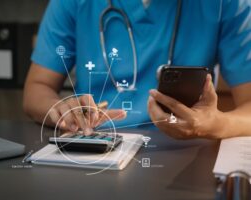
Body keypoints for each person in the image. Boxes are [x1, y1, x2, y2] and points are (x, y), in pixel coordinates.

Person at [23, 0, 251, 139]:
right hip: (93, 144)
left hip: (183, 153)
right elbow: (37, 89)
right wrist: (62, 111)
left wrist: (214, 125)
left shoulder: (227, 3)